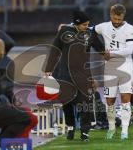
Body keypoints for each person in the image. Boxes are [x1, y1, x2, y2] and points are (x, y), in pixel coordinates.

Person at [45, 10, 105, 141]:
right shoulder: (64, 32)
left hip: (84, 74)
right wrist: (48, 68)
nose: (86, 27)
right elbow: (55, 50)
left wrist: (111, 56)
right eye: (84, 25)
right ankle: (71, 127)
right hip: (66, 73)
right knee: (67, 102)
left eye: (88, 24)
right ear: (77, 23)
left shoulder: (90, 33)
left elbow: (101, 48)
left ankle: (85, 131)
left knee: (86, 103)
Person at [94, 3, 133, 140]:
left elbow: (129, 50)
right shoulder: (103, 27)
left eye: (119, 19)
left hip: (126, 67)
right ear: (111, 15)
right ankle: (111, 128)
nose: (117, 22)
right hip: (110, 68)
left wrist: (109, 52)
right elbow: (88, 29)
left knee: (125, 99)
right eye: (114, 19)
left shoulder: (130, 29)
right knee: (110, 100)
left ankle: (125, 130)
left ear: (123, 16)